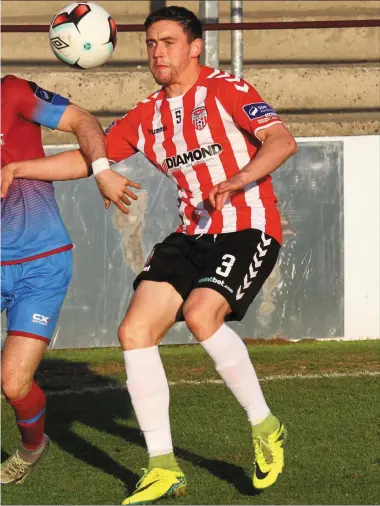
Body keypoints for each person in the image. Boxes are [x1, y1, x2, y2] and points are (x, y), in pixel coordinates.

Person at [2, 5, 298, 502]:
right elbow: (86, 159)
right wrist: (20, 169)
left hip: (247, 225)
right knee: (133, 332)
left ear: (195, 46)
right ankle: (163, 466)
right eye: (151, 44)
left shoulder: (225, 89)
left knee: (202, 315)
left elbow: (281, 141)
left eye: (168, 42)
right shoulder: (147, 115)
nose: (158, 52)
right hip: (193, 232)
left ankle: (266, 427)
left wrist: (239, 179)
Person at [0, 75, 140, 485]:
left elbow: (83, 121)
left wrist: (101, 170)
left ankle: (30, 448)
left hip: (40, 262)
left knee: (13, 382)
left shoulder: (11, 93)